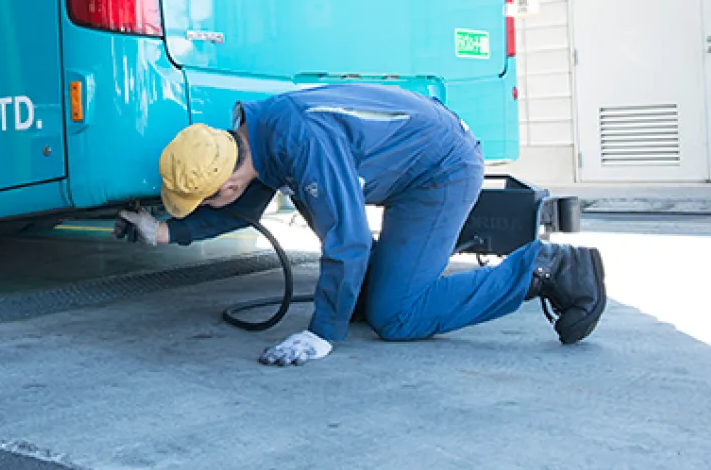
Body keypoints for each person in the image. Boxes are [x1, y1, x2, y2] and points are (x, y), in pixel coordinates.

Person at [114, 83, 606, 367]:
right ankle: (382, 290)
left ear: (224, 183)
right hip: (420, 162)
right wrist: (160, 231)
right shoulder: (253, 138)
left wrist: (322, 333)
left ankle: (546, 268)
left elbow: (347, 240)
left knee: (396, 316)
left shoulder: (299, 142)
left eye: (203, 198)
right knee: (367, 300)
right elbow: (241, 211)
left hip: (441, 170)